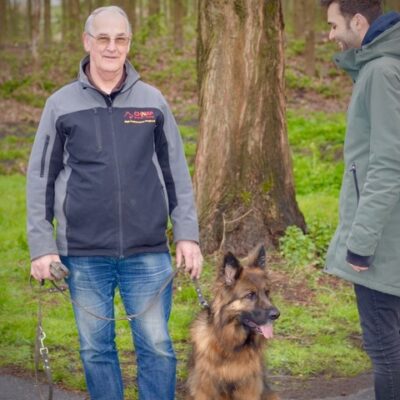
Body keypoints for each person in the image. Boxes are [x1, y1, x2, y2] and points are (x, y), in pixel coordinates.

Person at [27, 6, 203, 400]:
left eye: (120, 39)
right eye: (103, 38)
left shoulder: (152, 101)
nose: (112, 47)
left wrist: (187, 235)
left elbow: (176, 171)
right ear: (87, 42)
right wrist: (41, 246)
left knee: (157, 347)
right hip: (83, 253)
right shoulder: (60, 105)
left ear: (129, 43)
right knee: (95, 350)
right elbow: (40, 179)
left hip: (148, 251)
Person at [320, 1, 400, 399]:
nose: (330, 35)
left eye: (334, 25)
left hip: (383, 244)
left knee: (387, 354)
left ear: (357, 20)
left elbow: (388, 164)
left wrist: (361, 243)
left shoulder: (382, 71)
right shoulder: (383, 66)